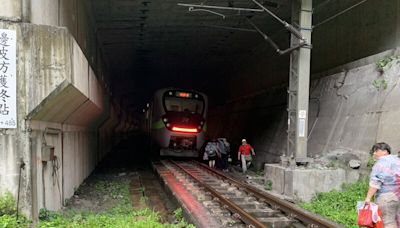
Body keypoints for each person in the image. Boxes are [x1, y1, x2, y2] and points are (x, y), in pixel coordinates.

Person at [364, 142, 400, 228]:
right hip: (398, 196)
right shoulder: (397, 160)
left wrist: (368, 198)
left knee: (388, 222)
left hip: (387, 197)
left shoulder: (381, 163)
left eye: (376, 150)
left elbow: (375, 182)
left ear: (384, 151)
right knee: (397, 220)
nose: (374, 153)